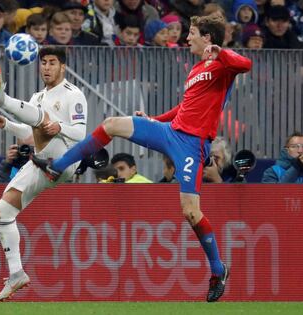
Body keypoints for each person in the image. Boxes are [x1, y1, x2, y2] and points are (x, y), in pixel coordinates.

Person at [32, 14, 252, 302]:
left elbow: (246, 64)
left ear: (207, 38)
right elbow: (183, 108)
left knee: (190, 211)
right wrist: (153, 119)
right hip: (169, 131)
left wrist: (221, 51)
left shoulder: (222, 65)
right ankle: (58, 168)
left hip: (192, 145)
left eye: (193, 33)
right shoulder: (196, 67)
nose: (187, 38)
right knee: (111, 124)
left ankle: (217, 269)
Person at [0, 46, 88, 301]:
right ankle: (17, 273)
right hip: (42, 160)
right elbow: (31, 134)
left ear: (62, 67)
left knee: (43, 119)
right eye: (43, 63)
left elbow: (80, 133)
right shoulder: (38, 96)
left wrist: (59, 126)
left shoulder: (73, 94)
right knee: (3, 211)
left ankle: (4, 100)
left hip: (66, 159)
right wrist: (7, 124)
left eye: (52, 63)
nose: (46, 67)